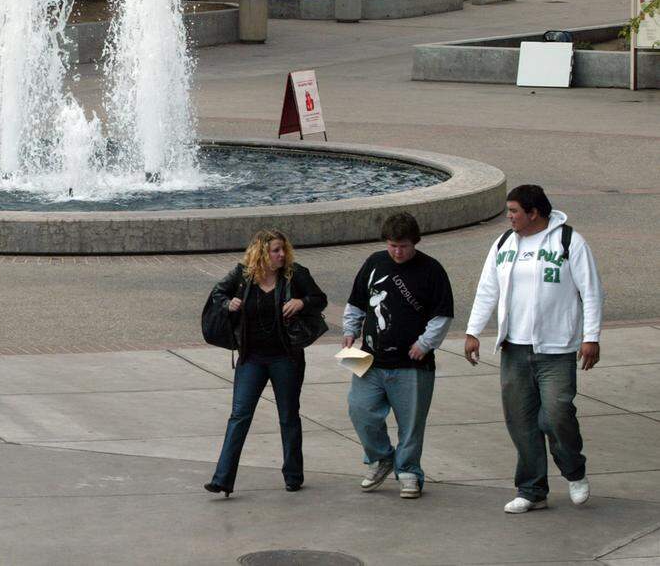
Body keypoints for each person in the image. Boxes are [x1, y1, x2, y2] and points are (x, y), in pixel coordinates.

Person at [464, 185, 604, 514]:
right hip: (514, 349)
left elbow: (592, 292)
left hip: (556, 350)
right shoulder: (503, 244)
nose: (508, 216)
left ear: (533, 213)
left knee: (556, 415)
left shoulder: (570, 241)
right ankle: (532, 490)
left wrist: (591, 336)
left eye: (514, 211)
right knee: (521, 421)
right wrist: (473, 331)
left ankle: (574, 471)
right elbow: (487, 290)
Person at [204, 229, 327, 497]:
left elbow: (320, 299)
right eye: (275, 250)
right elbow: (217, 294)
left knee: (288, 416)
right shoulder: (242, 275)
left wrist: (301, 302)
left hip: (286, 357)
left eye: (283, 249)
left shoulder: (295, 274)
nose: (282, 254)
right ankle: (223, 479)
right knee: (239, 416)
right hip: (252, 358)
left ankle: (293, 475)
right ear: (261, 253)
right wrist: (228, 303)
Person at [342, 212, 453, 499]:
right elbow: (356, 302)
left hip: (413, 362)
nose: (397, 252)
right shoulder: (374, 262)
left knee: (411, 423)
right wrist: (349, 330)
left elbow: (442, 315)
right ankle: (380, 457)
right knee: (358, 409)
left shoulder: (432, 270)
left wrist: (425, 344)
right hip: (366, 356)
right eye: (392, 245)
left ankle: (408, 472)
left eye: (403, 246)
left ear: (414, 242)